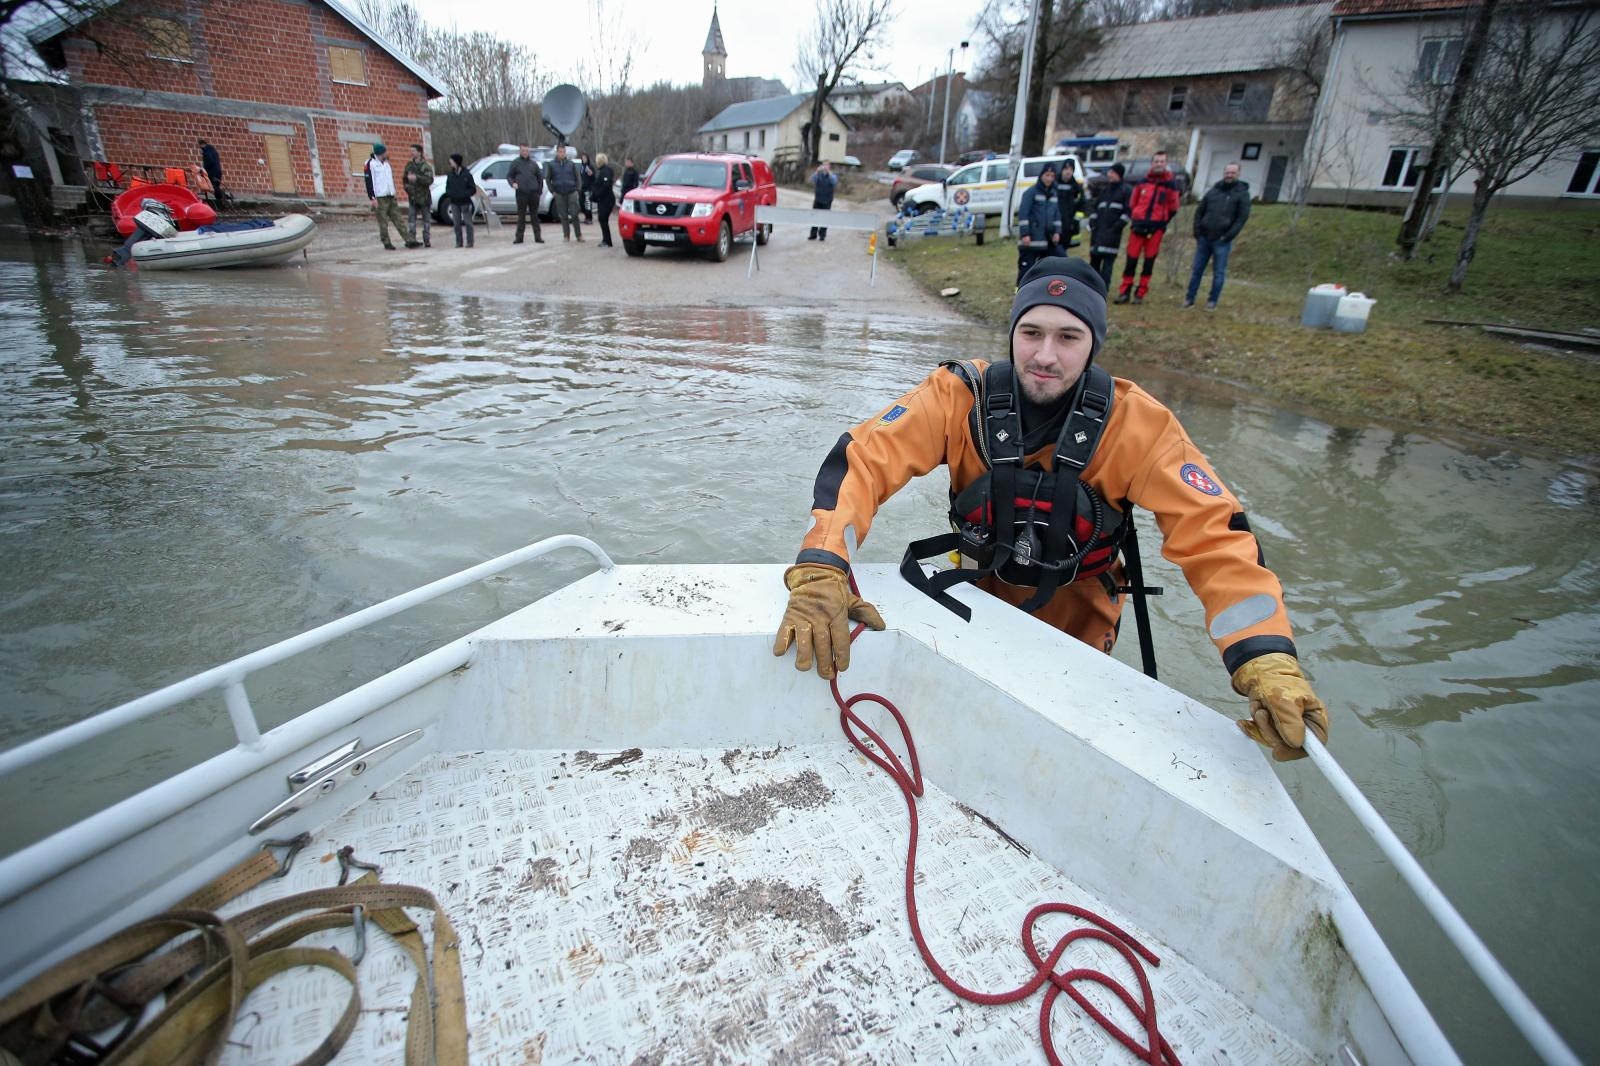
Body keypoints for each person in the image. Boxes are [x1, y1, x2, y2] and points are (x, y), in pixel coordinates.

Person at [772, 255, 1330, 764]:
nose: (1045, 355)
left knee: (1048, 757)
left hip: (1080, 627)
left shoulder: (1141, 426)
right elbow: (864, 461)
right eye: (1031, 333)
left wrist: (1264, 656)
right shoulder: (957, 397)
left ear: (1093, 345)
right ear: (1012, 334)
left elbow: (1215, 537)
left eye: (1068, 337)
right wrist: (823, 566)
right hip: (975, 603)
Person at [1114, 151, 1182, 305]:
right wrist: (1137, 217)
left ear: (1166, 164)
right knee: (1131, 260)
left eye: (1162, 161)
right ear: (1152, 163)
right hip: (1138, 226)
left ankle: (1140, 293)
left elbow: (1173, 206)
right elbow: (1133, 202)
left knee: (1148, 262)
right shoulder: (1143, 181)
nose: (1159, 164)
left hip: (1156, 229)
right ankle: (1124, 291)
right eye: (1156, 161)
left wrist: (1162, 222)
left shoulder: (1170, 184)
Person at [1185, 162, 1252, 311]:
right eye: (1227, 172)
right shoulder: (1214, 191)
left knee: (1219, 273)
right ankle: (1189, 298)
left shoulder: (1242, 194)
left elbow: (1241, 219)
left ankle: (1212, 301)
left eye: (1233, 173)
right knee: (1197, 270)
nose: (1229, 175)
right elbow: (1200, 211)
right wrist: (1197, 231)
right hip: (1204, 238)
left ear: (1238, 174)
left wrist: (1228, 236)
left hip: (1222, 241)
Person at [364, 143, 419, 250]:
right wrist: (372, 197)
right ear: (380, 153)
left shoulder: (386, 163)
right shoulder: (370, 164)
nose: (387, 153)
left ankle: (409, 240)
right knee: (383, 222)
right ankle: (386, 242)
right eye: (385, 152)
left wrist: (393, 191)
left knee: (399, 219)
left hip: (390, 195)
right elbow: (368, 181)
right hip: (380, 197)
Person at [1085, 162, 1132, 288]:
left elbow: (1128, 212)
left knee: (1107, 266)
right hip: (1098, 234)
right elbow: (1095, 209)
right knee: (1094, 263)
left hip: (1112, 236)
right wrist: (1092, 222)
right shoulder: (1105, 190)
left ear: (1119, 174)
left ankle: (1103, 289)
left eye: (1112, 172)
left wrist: (1117, 227)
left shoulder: (1126, 190)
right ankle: (1091, 287)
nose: (1109, 175)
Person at [1015, 163, 1061, 286]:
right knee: (1026, 271)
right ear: (1041, 175)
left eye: (1052, 176)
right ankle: (1020, 291)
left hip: (1047, 240)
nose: (1049, 178)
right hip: (1030, 240)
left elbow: (1056, 214)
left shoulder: (1053, 194)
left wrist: (1057, 231)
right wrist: (1025, 234)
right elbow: (1023, 214)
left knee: (1050, 268)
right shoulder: (1031, 192)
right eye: (1047, 175)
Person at [443, 153, 483, 248]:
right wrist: (450, 194)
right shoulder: (450, 174)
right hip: (454, 202)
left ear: (456, 162)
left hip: (465, 202)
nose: (450, 163)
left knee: (468, 223)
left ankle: (470, 242)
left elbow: (472, 189)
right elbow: (447, 187)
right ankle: (459, 242)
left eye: (452, 161)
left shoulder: (467, 174)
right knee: (456, 223)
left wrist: (465, 194)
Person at [508, 144, 545, 245]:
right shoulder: (515, 163)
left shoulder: (533, 164)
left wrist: (539, 191)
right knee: (521, 216)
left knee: (534, 216)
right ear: (520, 151)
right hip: (521, 193)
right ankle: (519, 237)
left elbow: (540, 178)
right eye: (523, 150)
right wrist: (512, 183)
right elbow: (509, 176)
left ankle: (538, 237)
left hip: (533, 193)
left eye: (526, 150)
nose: (525, 152)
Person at [545, 145, 583, 241]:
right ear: (557, 153)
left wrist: (577, 190)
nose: (562, 154)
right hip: (559, 193)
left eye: (563, 152)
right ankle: (566, 236)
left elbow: (578, 177)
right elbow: (548, 179)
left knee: (574, 214)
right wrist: (552, 191)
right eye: (560, 152)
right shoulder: (551, 165)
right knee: (563, 216)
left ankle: (579, 235)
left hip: (572, 192)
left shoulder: (571, 164)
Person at [402, 144, 434, 249]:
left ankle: (427, 240)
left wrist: (417, 178)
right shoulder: (409, 166)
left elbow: (430, 180)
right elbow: (404, 179)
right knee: (411, 221)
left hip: (424, 198)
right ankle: (412, 240)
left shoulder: (426, 166)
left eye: (413, 151)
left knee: (426, 221)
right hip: (413, 197)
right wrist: (407, 188)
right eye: (411, 151)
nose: (411, 153)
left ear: (419, 152)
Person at [1053, 158, 1084, 257]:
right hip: (1054, 224)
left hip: (1068, 225)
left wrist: (1075, 221)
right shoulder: (1054, 185)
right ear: (1062, 169)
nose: (1068, 172)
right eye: (1066, 169)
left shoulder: (1076, 188)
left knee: (1063, 250)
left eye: (1071, 169)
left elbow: (1081, 206)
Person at [592, 152, 617, 248]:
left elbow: (606, 186)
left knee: (603, 218)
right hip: (603, 199)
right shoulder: (601, 171)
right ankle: (606, 239)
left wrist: (598, 193)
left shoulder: (605, 171)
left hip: (606, 200)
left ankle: (607, 241)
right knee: (602, 219)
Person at [808, 160, 837, 241]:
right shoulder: (818, 175)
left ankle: (822, 235)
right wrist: (816, 171)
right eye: (824, 165)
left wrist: (829, 172)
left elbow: (834, 182)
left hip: (827, 200)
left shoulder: (832, 175)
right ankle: (813, 234)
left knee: (825, 218)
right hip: (818, 199)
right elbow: (811, 180)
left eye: (826, 165)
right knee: (815, 217)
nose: (825, 167)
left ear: (829, 166)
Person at [197, 138, 224, 206]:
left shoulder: (206, 151)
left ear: (201, 144)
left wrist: (204, 168)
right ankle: (221, 202)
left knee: (213, 186)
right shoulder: (212, 149)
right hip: (218, 171)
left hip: (212, 172)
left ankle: (221, 200)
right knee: (215, 186)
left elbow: (210, 161)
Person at [579, 152, 596, 223]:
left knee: (588, 204)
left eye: (585, 158)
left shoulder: (590, 167)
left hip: (588, 188)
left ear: (587, 159)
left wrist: (592, 174)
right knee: (581, 203)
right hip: (582, 188)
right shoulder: (582, 167)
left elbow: (594, 177)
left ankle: (589, 218)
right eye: (582, 158)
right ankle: (586, 216)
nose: (583, 159)